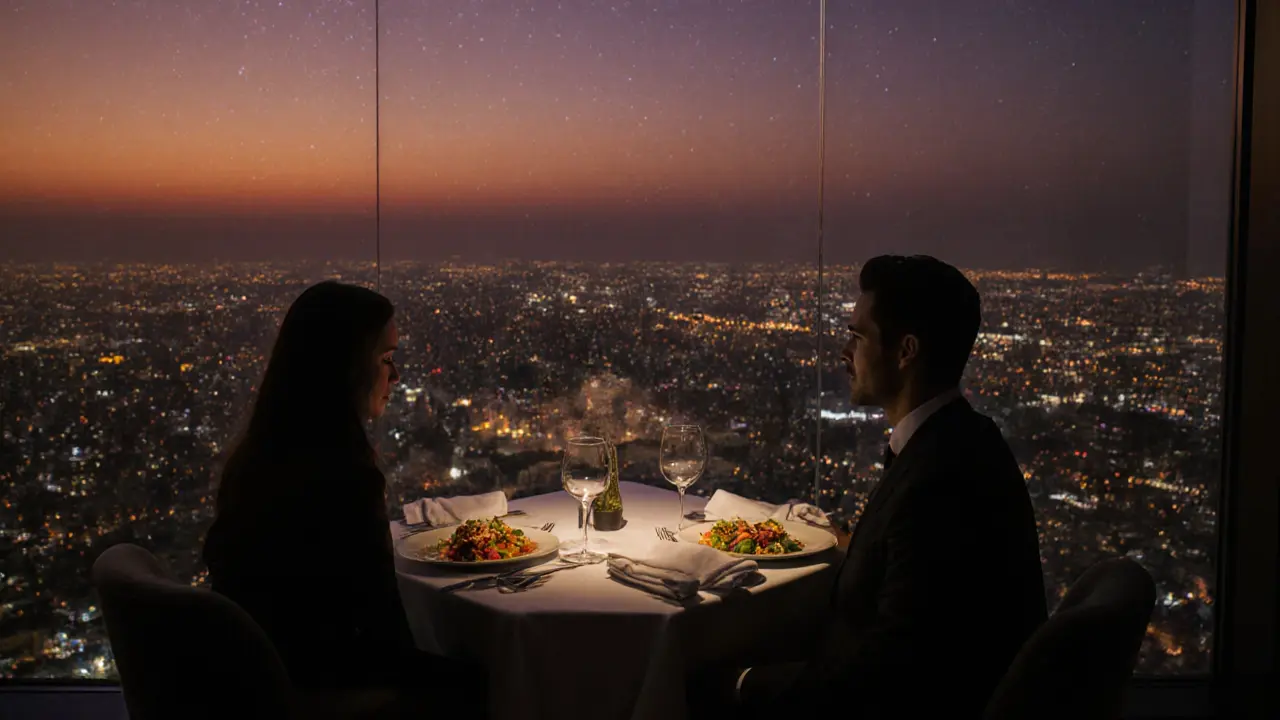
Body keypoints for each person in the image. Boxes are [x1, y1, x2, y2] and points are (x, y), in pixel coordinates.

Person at [697, 255, 1047, 718]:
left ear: (905, 352)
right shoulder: (963, 440)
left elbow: (893, 669)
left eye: (858, 337)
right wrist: (853, 543)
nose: (846, 352)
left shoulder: (938, 480)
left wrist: (743, 684)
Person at [202, 281, 486, 709]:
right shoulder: (343, 476)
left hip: (248, 681)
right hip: (314, 688)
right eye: (386, 359)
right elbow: (381, 623)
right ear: (348, 368)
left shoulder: (258, 459)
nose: (395, 375)